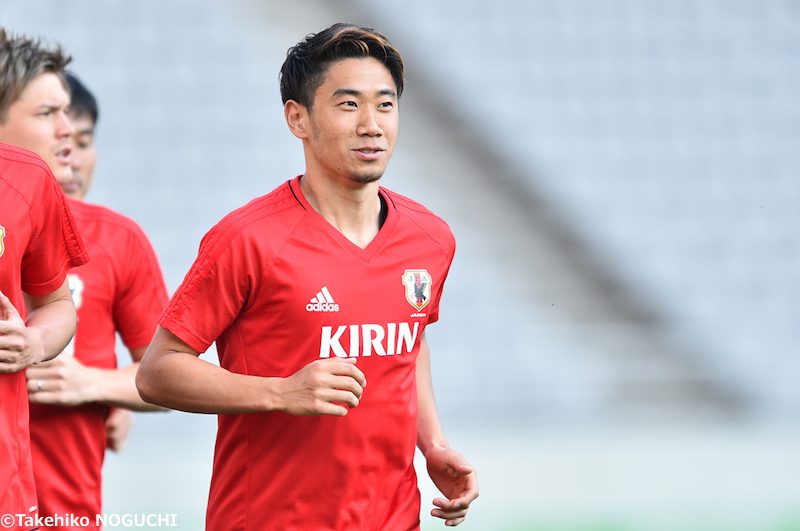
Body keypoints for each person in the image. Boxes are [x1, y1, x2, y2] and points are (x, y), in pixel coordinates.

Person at [137, 23, 478, 529]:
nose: (372, 125)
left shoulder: (430, 237)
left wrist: (434, 444)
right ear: (297, 118)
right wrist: (281, 392)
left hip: (393, 518)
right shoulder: (247, 238)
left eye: (385, 105)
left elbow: (410, 343)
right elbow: (157, 373)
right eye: (349, 105)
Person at [19, 71, 169, 529]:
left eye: (83, 141)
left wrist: (96, 386)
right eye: (60, 136)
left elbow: (168, 375)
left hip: (68, 511)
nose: (71, 155)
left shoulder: (117, 239)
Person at [0, 27, 89, 530]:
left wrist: (32, 343)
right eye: (46, 113)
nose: (66, 129)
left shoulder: (28, 182)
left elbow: (56, 305)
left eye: (66, 111)